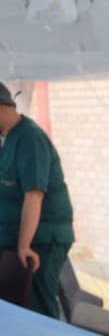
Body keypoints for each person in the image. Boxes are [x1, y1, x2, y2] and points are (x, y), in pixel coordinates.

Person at [0, 82, 75, 319]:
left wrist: (24, 246)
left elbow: (34, 195)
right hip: (14, 238)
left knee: (36, 308)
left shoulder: (30, 138)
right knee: (16, 309)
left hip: (40, 241)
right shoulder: (8, 139)